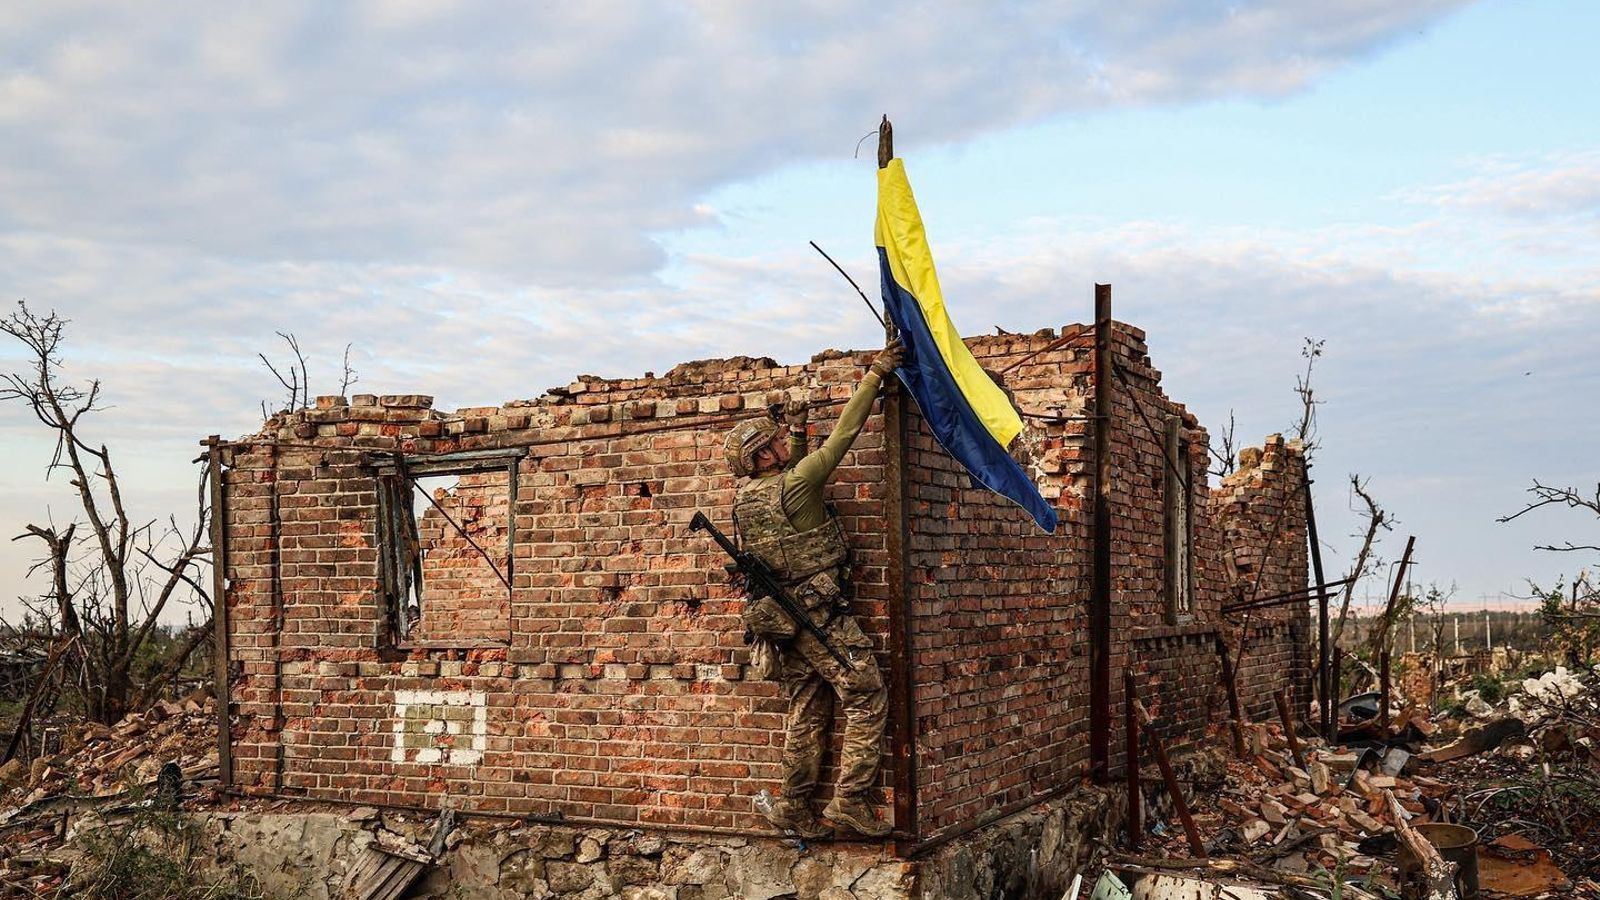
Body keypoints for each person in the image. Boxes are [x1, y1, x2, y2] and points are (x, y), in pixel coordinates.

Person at [721, 336, 905, 840]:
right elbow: (844, 436)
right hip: (822, 617)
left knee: (807, 711)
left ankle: (794, 807)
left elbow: (796, 475)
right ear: (762, 456)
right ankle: (850, 802)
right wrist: (876, 374)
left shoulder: (749, 500)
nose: (785, 442)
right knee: (866, 695)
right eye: (776, 441)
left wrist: (797, 428)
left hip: (783, 623)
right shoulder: (797, 483)